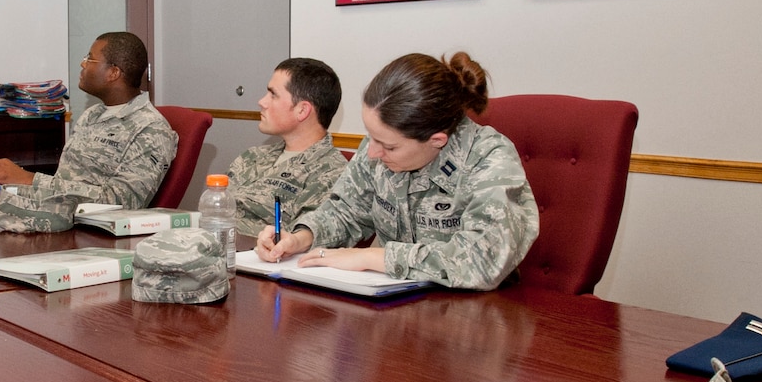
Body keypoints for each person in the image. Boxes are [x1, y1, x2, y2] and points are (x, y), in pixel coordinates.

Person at [254, 52, 538, 290]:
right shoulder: (379, 145)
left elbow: (482, 260)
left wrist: (376, 258)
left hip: (474, 320)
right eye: (370, 136)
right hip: (392, 310)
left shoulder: (489, 158)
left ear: (436, 140)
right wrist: (301, 238)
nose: (373, 152)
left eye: (388, 147)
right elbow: (345, 211)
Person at [0, 31, 177, 211]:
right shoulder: (92, 115)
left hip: (98, 236)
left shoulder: (151, 129)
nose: (83, 64)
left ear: (113, 73)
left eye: (89, 59)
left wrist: (30, 180)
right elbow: (68, 181)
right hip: (60, 217)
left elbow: (122, 202)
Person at [225, 57, 348, 234]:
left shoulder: (331, 173)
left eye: (273, 95)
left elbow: (297, 243)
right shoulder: (252, 156)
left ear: (302, 110)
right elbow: (214, 211)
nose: (262, 102)